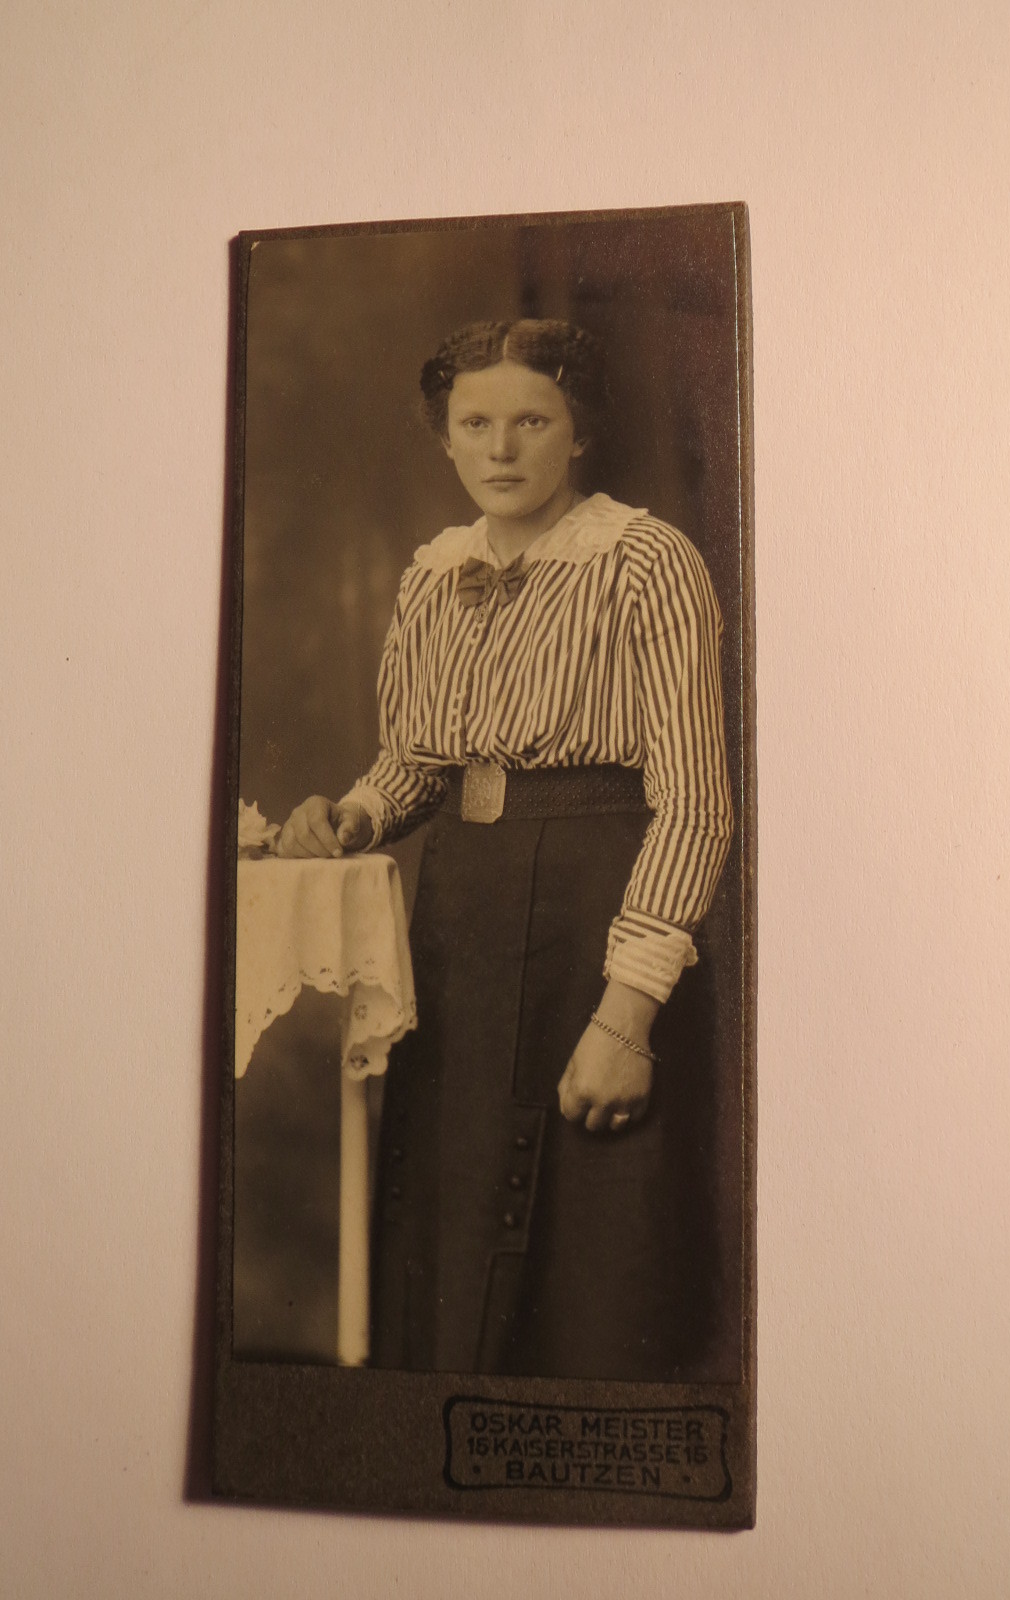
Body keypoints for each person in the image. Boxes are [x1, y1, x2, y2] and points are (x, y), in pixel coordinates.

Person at [277, 318, 734, 1381]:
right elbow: (416, 763)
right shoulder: (437, 573)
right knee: (456, 1224)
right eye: (474, 423)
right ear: (444, 438)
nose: (501, 449)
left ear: (579, 434)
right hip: (463, 924)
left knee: (591, 1248)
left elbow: (698, 806)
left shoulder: (646, 562)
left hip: (595, 917)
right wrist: (352, 815)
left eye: (532, 420)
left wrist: (628, 1014)